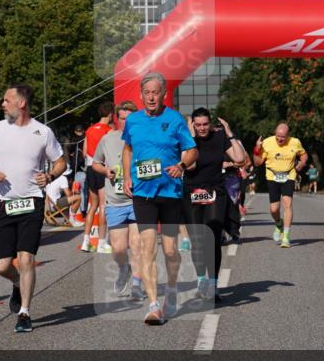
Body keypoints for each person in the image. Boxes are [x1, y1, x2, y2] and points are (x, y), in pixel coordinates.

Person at [0, 84, 66, 334]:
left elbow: (60, 161)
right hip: (4, 203)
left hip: (31, 202)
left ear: (21, 103)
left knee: (26, 258)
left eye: (6, 100)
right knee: (2, 265)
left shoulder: (43, 132)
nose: (2, 104)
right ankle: (16, 283)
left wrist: (49, 176)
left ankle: (25, 312)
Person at [122, 73, 198, 325]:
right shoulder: (132, 121)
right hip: (143, 193)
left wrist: (181, 165)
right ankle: (154, 304)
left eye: (156, 92)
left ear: (163, 94)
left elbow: (192, 150)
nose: (151, 96)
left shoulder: (175, 119)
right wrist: (126, 177)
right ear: (141, 95)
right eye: (147, 92)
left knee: (170, 250)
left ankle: (173, 288)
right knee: (146, 248)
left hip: (169, 192)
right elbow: (128, 149)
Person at [182, 109, 246, 301]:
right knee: (197, 240)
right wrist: (190, 137)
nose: (202, 128)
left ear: (210, 124)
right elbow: (190, 165)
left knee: (212, 236)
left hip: (215, 192)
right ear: (193, 124)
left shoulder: (219, 138)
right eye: (198, 125)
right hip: (192, 192)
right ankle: (201, 280)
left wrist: (229, 132)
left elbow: (240, 159)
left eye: (205, 124)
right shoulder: (186, 139)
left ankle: (213, 283)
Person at [92, 100, 146, 300]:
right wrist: (106, 170)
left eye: (129, 119)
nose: (125, 122)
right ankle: (124, 267)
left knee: (137, 244)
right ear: (117, 119)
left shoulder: (143, 138)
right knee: (118, 248)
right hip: (115, 201)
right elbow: (95, 163)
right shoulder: (108, 139)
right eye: (122, 118)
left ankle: (137, 285)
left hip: (138, 200)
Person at [253, 122, 307, 248]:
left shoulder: (295, 142)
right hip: (272, 176)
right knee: (274, 209)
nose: (279, 139)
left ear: (288, 135)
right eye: (278, 136)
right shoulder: (267, 143)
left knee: (287, 204)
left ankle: (286, 237)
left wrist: (302, 163)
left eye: (283, 137)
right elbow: (258, 163)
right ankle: (278, 224)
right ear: (275, 133)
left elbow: (303, 154)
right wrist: (256, 149)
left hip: (289, 175)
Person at [81, 103, 113, 253]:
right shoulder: (109, 131)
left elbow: (84, 152)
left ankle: (86, 241)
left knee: (92, 206)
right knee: (102, 206)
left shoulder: (89, 130)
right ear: (111, 114)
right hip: (101, 167)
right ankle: (101, 242)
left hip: (89, 168)